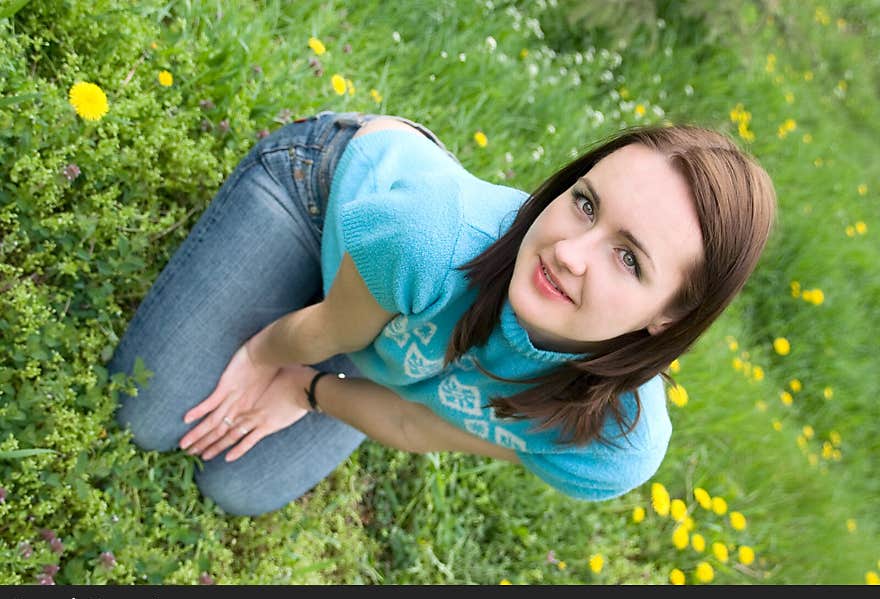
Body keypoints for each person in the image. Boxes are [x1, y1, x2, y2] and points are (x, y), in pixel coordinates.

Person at [108, 110, 775, 516]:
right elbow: (322, 331)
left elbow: (418, 419)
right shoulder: (433, 239)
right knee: (146, 414)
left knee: (237, 488)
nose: (569, 252)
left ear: (670, 318)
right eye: (586, 203)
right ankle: (385, 319)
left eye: (629, 260)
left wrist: (308, 390)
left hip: (395, 306)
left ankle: (391, 332)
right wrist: (266, 357)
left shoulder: (607, 446)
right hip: (325, 203)